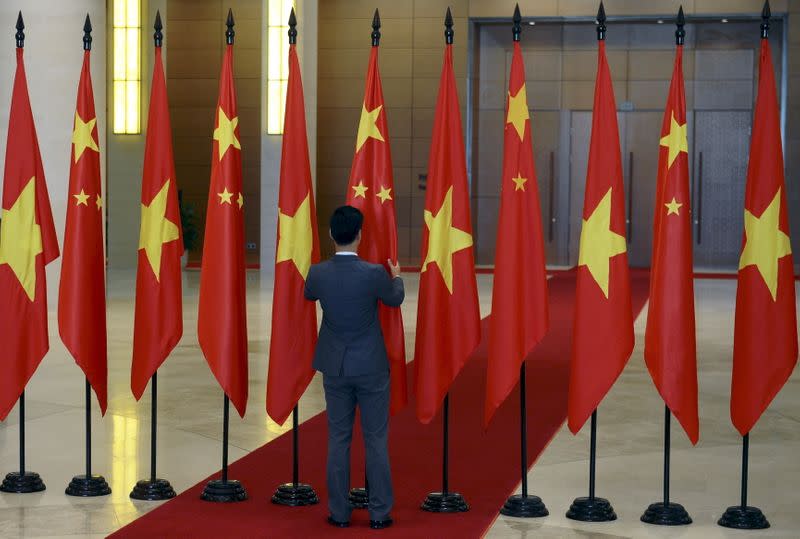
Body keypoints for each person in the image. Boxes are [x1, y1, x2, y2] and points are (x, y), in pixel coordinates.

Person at [304, 205, 404, 530]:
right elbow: (394, 299)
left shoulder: (318, 273)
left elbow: (308, 294)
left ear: (331, 234)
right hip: (371, 366)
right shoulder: (375, 273)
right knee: (376, 440)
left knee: (338, 438)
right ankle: (379, 514)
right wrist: (398, 275)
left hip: (335, 366)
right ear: (360, 235)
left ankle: (339, 513)